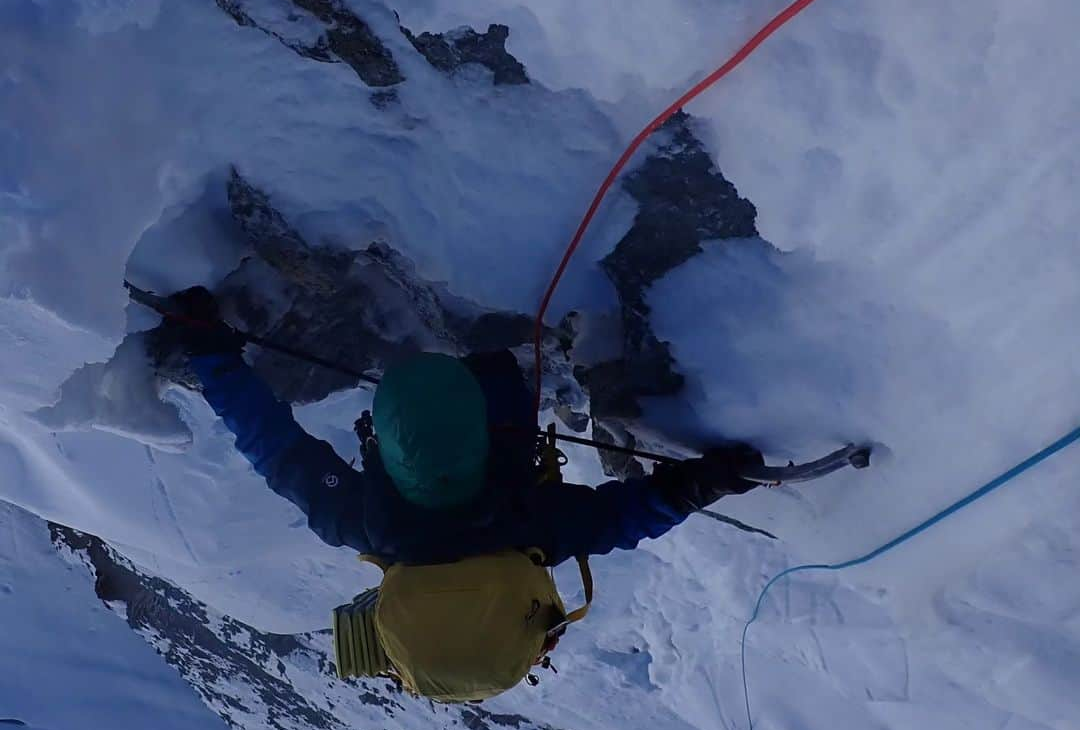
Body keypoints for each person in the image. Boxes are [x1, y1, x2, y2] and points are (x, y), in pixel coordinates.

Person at [161, 286, 766, 698]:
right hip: (440, 398)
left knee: (496, 353)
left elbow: (628, 517)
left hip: (499, 389)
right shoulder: (363, 524)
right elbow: (275, 449)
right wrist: (210, 353)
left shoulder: (533, 533)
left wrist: (699, 485)